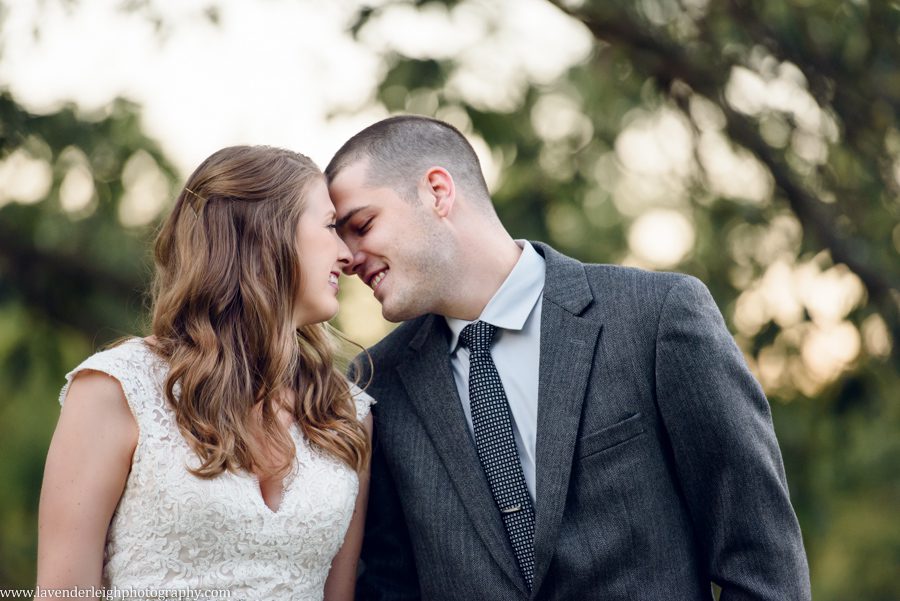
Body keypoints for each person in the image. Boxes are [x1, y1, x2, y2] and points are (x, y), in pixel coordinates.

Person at [325, 115, 811, 600]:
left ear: (437, 191)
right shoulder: (375, 384)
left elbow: (763, 563)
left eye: (362, 226)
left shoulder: (656, 317)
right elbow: (389, 586)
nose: (347, 258)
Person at [35, 146, 373, 601]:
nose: (348, 255)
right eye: (331, 226)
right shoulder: (117, 389)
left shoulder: (346, 415)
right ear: (265, 234)